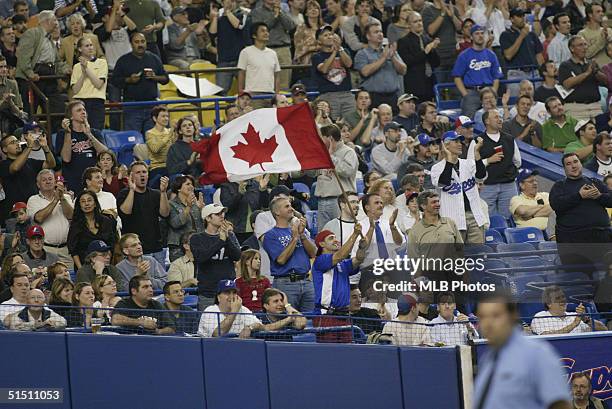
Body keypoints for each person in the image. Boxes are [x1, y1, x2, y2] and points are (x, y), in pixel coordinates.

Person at [473, 292, 572, 409]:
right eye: (483, 317)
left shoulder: (537, 353)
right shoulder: (488, 359)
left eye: (496, 315)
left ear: (512, 316)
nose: (488, 323)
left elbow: (560, 405)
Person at [431, 130, 487, 244]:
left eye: (460, 141)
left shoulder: (468, 163)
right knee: (455, 257)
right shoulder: (437, 168)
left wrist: (477, 153)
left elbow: (481, 176)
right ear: (445, 145)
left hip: (474, 217)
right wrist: (449, 160)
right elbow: (443, 183)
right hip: (452, 219)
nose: (459, 144)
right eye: (455, 141)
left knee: (479, 255)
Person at [263, 196, 316, 312]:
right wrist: (295, 237)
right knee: (289, 321)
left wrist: (302, 235)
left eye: (291, 206)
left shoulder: (300, 230)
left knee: (310, 321)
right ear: (277, 212)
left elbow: (313, 253)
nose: (291, 209)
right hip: (286, 283)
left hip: (307, 281)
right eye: (287, 206)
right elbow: (281, 260)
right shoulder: (270, 235)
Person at [111, 32, 169, 135]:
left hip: (152, 105)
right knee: (132, 139)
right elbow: (115, 81)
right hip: (132, 106)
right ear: (131, 44)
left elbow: (165, 79)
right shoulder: (123, 60)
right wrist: (129, 80)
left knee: (153, 139)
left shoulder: (154, 58)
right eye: (137, 42)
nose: (140, 44)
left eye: (142, 41)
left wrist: (154, 77)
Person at [550, 153, 612, 244]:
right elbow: (556, 205)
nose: (573, 166)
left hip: (602, 235)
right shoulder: (559, 186)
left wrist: (599, 196)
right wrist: (579, 196)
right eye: (568, 164)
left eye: (575, 162)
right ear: (564, 169)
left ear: (581, 164)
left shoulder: (595, 182)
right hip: (573, 238)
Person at [15, 11, 69, 116]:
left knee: (58, 109)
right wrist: (30, 73)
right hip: (34, 78)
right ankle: (29, 131)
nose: (57, 23)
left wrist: (65, 69)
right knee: (31, 111)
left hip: (49, 77)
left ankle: (56, 131)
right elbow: (23, 57)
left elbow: (57, 61)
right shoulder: (32, 33)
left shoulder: (49, 39)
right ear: (47, 21)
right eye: (54, 20)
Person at [117, 161, 170, 265]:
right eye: (138, 172)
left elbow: (165, 214)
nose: (142, 175)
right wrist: (132, 190)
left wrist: (163, 192)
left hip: (156, 248)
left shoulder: (156, 194)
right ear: (130, 176)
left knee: (160, 280)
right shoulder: (124, 194)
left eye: (144, 172)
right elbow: (125, 213)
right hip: (135, 251)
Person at [191, 204, 241, 311]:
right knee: (207, 324)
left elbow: (237, 256)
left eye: (222, 213)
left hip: (229, 290)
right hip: (208, 292)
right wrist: (221, 241)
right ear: (208, 218)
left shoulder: (229, 235)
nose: (222, 216)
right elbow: (201, 258)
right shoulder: (197, 238)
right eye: (217, 214)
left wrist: (226, 238)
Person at [0, 133, 55, 227]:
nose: (17, 144)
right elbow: (15, 167)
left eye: (17, 141)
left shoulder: (30, 162)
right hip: (15, 213)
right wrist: (29, 146)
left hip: (32, 209)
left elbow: (51, 164)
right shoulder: (3, 164)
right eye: (13, 142)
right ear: (5, 149)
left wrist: (45, 147)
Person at [55, 100, 109, 193]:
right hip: (73, 181)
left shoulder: (95, 132)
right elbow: (66, 159)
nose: (83, 112)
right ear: (71, 116)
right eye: (79, 110)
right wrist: (68, 133)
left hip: (93, 181)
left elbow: (105, 153)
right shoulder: (62, 134)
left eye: (84, 110)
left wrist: (89, 134)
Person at [312, 225, 366, 315]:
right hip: (326, 314)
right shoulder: (320, 260)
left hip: (344, 313)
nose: (336, 240)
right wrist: (355, 234)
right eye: (331, 238)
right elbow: (340, 255)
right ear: (322, 244)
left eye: (336, 238)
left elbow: (358, 259)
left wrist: (362, 248)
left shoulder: (342, 263)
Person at [407, 190, 463, 278]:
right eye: (433, 202)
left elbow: (460, 250)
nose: (437, 204)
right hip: (429, 276)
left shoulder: (450, 223)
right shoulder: (415, 231)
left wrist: (465, 274)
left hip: (453, 273)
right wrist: (419, 282)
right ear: (423, 206)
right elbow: (414, 261)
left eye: (438, 201)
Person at [452, 25, 503, 119]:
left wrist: (493, 92)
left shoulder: (491, 54)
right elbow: (457, 77)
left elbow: (496, 77)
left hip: (488, 91)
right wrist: (466, 95)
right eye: (477, 33)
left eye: (482, 33)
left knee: (493, 119)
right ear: (471, 37)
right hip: (472, 92)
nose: (480, 36)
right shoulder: (464, 55)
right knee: (467, 121)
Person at [478, 109, 522, 218]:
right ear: (487, 121)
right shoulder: (478, 141)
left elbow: (517, 161)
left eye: (500, 117)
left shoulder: (510, 139)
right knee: (487, 220)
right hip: (487, 186)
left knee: (509, 218)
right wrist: (488, 161)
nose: (500, 120)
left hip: (508, 185)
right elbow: (472, 165)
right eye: (496, 117)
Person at [25, 170, 72, 270]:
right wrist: (55, 200)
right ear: (38, 184)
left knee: (69, 280)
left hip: (66, 249)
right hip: (45, 250)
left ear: (55, 182)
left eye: (50, 179)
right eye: (44, 180)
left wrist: (62, 198)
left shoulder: (66, 197)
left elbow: (72, 216)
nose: (48, 182)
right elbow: (39, 218)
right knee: (46, 280)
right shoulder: (33, 200)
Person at [315, 124, 359, 230]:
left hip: (340, 201)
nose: (320, 142)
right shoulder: (321, 153)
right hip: (322, 200)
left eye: (322, 139)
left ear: (330, 139)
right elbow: (313, 173)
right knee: (324, 235)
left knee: (342, 231)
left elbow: (348, 171)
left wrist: (331, 157)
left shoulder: (348, 152)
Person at [354, 23, 406, 110]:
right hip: (374, 98)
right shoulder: (362, 54)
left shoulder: (390, 51)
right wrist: (384, 58)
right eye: (376, 32)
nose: (380, 34)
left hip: (393, 97)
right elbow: (365, 72)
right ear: (368, 36)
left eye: (381, 31)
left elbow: (403, 70)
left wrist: (392, 57)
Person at [311, 25, 354, 120]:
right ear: (319, 41)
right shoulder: (317, 57)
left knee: (351, 123)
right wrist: (334, 53)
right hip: (328, 96)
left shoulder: (344, 51)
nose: (330, 36)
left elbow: (349, 64)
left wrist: (340, 49)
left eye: (331, 34)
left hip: (346, 94)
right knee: (332, 124)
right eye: (325, 35)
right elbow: (324, 69)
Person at [250, 0, 295, 91]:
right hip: (265, 49)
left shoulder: (282, 10)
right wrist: (274, 16)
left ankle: (282, 103)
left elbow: (291, 26)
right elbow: (263, 28)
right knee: (266, 82)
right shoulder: (256, 12)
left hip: (284, 49)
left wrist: (280, 13)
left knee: (284, 84)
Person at [559, 35, 606, 121]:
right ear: (572, 49)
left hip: (595, 107)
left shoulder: (591, 64)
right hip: (576, 109)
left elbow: (605, 82)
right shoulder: (565, 65)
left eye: (585, 44)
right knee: (578, 134)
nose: (584, 47)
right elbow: (567, 84)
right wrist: (587, 73)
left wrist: (596, 72)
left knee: (601, 133)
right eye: (580, 45)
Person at [67, 190, 117, 270]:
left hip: (105, 265)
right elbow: (74, 251)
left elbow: (111, 245)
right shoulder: (76, 225)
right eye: (83, 201)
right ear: (79, 205)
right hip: (84, 266)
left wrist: (106, 265)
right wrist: (81, 270)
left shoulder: (106, 221)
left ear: (95, 203)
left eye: (89, 200)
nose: (86, 203)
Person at [197, 279, 265, 338]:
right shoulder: (210, 311)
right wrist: (234, 311)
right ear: (218, 297)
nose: (231, 296)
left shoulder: (242, 309)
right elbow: (217, 334)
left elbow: (261, 326)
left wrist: (250, 327)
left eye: (234, 293)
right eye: (227, 293)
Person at [397, 11, 440, 103]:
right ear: (409, 25)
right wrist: (425, 51)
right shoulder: (403, 41)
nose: (419, 23)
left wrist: (432, 50)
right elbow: (408, 62)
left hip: (429, 83)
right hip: (414, 85)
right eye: (415, 21)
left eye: (420, 20)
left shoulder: (427, 39)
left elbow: (436, 63)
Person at [499, 8, 544, 96]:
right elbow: (508, 55)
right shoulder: (506, 35)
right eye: (519, 16)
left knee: (537, 102)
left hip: (534, 72)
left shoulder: (531, 34)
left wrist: (542, 73)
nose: (522, 18)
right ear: (511, 19)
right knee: (516, 102)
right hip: (516, 74)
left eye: (523, 16)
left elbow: (539, 56)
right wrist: (521, 36)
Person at [531, 285, 607, 335]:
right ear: (549, 303)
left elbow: (604, 330)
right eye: (557, 298)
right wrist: (573, 324)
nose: (562, 300)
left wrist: (585, 319)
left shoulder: (575, 316)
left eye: (563, 297)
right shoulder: (540, 317)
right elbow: (546, 337)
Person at [237, 22, 280, 107]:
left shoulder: (273, 53)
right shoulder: (246, 52)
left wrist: (277, 94)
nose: (266, 33)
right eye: (262, 31)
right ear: (254, 35)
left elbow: (277, 74)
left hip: (270, 94)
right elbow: (241, 73)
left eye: (267, 31)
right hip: (253, 94)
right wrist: (241, 92)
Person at [209, 0, 248, 95]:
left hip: (240, 60)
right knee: (221, 92)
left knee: (246, 91)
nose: (229, 3)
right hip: (223, 60)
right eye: (226, 1)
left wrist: (228, 12)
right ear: (222, 4)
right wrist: (214, 17)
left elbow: (238, 25)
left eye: (232, 1)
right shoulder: (219, 18)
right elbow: (212, 32)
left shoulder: (242, 14)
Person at [70, 37, 107, 131]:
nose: (90, 48)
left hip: (96, 102)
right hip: (80, 102)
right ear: (80, 49)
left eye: (91, 45)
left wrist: (86, 68)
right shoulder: (76, 67)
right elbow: (75, 89)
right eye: (87, 46)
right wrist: (83, 73)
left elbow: (98, 84)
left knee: (96, 132)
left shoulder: (102, 63)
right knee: (80, 132)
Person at [421, 0, 460, 89]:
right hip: (438, 57)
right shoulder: (427, 10)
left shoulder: (452, 8)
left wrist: (452, 16)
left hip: (454, 55)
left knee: (455, 88)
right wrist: (443, 13)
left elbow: (459, 28)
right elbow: (431, 31)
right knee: (440, 88)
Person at [220, 176, 268, 243]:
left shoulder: (255, 184)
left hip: (255, 228)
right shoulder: (226, 186)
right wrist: (239, 194)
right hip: (236, 229)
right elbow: (228, 207)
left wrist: (263, 191)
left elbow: (265, 205)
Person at [168, 175, 204, 261]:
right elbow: (175, 224)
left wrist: (202, 209)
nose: (191, 186)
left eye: (192, 184)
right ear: (178, 188)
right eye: (187, 184)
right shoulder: (171, 204)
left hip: (197, 246)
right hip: (179, 249)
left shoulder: (196, 204)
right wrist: (188, 207)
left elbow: (202, 225)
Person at [578, 3, 612, 68]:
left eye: (602, 11)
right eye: (598, 12)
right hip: (596, 71)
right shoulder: (582, 34)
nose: (602, 14)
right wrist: (601, 40)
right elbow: (586, 54)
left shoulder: (609, 30)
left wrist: (609, 40)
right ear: (590, 15)